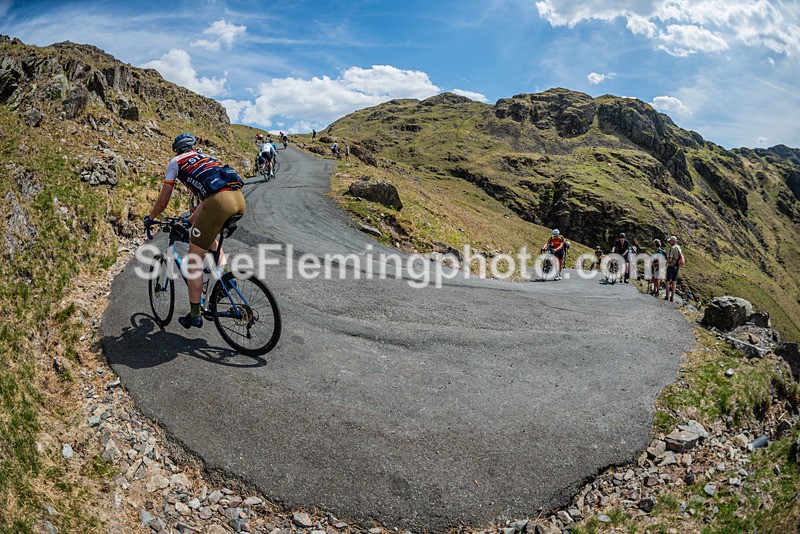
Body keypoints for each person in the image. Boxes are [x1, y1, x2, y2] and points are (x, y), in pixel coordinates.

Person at [144, 133, 245, 329]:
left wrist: (151, 218)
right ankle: (226, 280)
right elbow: (209, 197)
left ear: (177, 149)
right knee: (210, 242)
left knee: (193, 260)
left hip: (219, 202)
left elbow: (164, 200)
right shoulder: (208, 158)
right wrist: (190, 221)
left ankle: (195, 314)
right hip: (238, 200)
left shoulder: (176, 162)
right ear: (192, 147)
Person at [665, 235, 683, 302]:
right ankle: (672, 297)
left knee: (667, 281)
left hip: (671, 266)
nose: (669, 242)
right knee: (674, 282)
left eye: (670, 241)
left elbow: (670, 259)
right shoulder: (679, 247)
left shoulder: (672, 248)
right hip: (677, 266)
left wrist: (666, 262)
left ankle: (667, 296)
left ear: (672, 241)